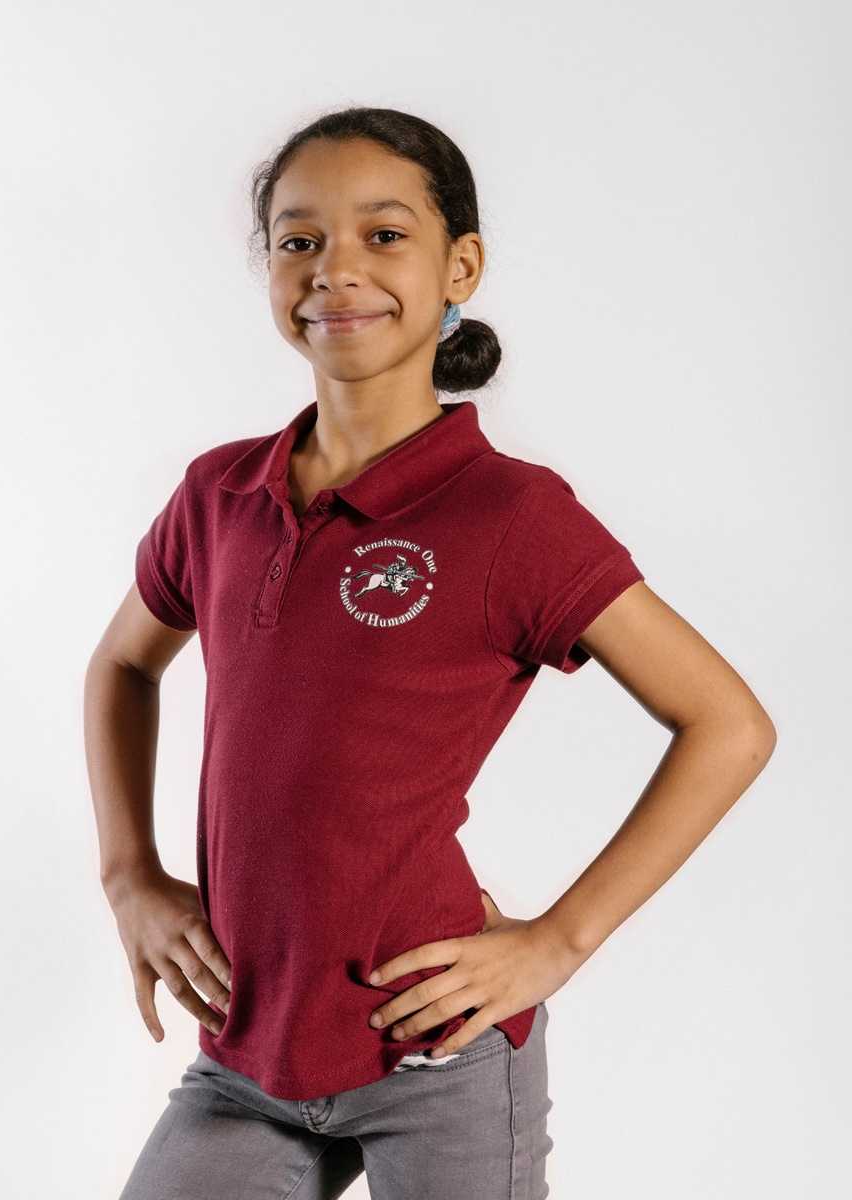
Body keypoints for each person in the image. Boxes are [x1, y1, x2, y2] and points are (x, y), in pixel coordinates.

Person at [84, 106, 776, 1200]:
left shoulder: (511, 516)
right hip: (247, 1049)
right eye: (300, 239)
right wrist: (129, 875)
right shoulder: (219, 494)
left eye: (384, 234)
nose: (336, 269)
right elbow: (124, 666)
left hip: (438, 1050)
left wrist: (557, 942)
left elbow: (729, 724)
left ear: (461, 267)